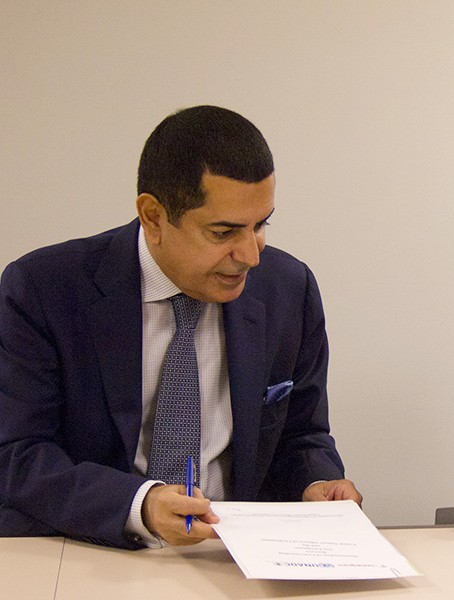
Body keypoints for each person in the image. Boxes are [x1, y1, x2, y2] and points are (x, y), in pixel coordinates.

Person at [0, 105, 362, 549]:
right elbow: (17, 453)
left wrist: (316, 483)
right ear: (153, 217)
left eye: (261, 225)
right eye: (224, 232)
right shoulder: (44, 289)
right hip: (90, 547)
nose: (251, 255)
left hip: (232, 554)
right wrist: (141, 505)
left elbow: (301, 434)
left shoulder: (288, 290)